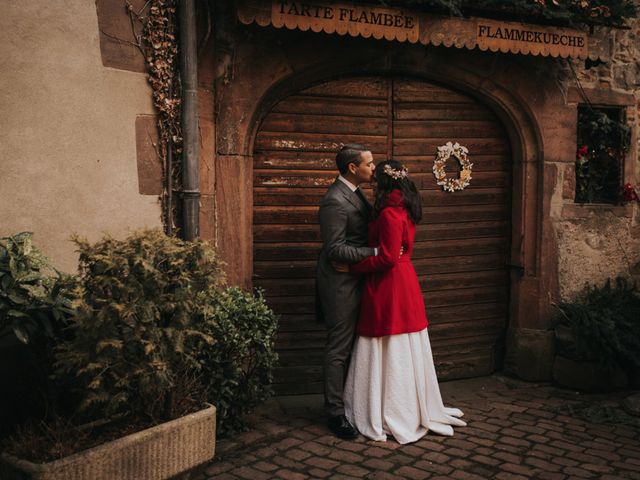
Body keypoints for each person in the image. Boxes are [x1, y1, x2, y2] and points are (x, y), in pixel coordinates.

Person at [341, 159, 467, 444]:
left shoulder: (388, 212)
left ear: (385, 182)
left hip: (389, 283)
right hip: (404, 278)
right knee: (402, 343)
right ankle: (403, 403)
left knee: (386, 340)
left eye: (376, 179)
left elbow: (386, 257)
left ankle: (390, 408)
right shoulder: (405, 205)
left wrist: (354, 267)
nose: (372, 183)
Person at [316, 143, 376, 439]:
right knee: (338, 347)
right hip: (340, 284)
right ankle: (335, 414)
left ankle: (354, 403)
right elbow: (335, 249)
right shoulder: (334, 201)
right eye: (369, 163)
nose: (373, 167)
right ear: (353, 168)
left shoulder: (355, 192)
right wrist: (376, 251)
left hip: (356, 278)